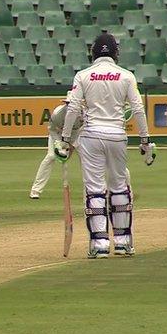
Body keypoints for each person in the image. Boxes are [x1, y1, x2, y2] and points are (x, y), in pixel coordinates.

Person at [55, 33, 156, 259]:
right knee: (119, 186)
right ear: (115, 53)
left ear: (92, 53)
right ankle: (123, 242)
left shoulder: (83, 75)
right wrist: (145, 140)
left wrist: (64, 139)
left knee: (95, 189)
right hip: (117, 135)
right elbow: (138, 110)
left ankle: (99, 243)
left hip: (91, 135)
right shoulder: (126, 76)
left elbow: (72, 108)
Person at [29, 92, 83, 199]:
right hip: (57, 135)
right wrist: (60, 145)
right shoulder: (57, 114)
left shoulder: (84, 114)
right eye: (68, 104)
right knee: (51, 157)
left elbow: (84, 130)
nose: (70, 106)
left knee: (86, 159)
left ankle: (94, 189)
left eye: (73, 104)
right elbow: (52, 130)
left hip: (77, 135)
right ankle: (35, 190)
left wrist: (72, 146)